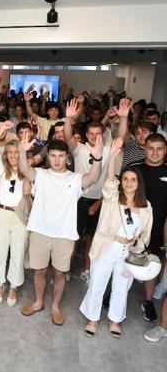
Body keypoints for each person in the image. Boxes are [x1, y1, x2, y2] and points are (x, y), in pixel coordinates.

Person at [19, 134, 103, 326]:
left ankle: (55, 306)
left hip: (64, 236)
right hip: (40, 232)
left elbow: (93, 178)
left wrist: (97, 159)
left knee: (59, 273)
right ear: (48, 156)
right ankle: (39, 302)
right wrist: (23, 152)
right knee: (39, 271)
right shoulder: (41, 174)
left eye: (60, 156)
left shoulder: (74, 179)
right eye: (53, 155)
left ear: (67, 157)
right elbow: (24, 169)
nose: (56, 160)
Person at [79, 137, 153, 337]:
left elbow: (145, 235)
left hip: (126, 254)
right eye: (126, 179)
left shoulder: (146, 207)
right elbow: (110, 181)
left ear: (139, 184)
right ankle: (92, 319)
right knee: (97, 284)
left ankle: (115, 320)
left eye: (133, 179)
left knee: (122, 289)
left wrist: (136, 243)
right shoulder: (112, 198)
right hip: (107, 248)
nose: (128, 183)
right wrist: (111, 158)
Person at [64, 98, 112, 284]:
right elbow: (68, 137)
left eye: (98, 133)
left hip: (97, 201)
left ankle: (86, 270)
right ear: (86, 135)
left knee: (92, 239)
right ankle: (66, 269)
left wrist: (123, 118)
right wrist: (69, 119)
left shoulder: (107, 151)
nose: (94, 137)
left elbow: (122, 137)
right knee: (73, 238)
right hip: (78, 199)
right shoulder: (80, 149)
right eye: (91, 133)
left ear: (103, 134)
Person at [0, 121, 29, 306]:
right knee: (0, 249)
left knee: (18, 251)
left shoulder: (27, 171)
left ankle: (13, 285)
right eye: (10, 152)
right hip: (2, 213)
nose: (13, 155)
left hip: (20, 216)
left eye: (16, 152)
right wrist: (3, 130)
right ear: (6, 155)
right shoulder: (0, 169)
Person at [128, 133, 167, 322]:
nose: (155, 152)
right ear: (144, 148)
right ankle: (116, 293)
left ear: (165, 151)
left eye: (159, 148)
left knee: (153, 265)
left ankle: (148, 301)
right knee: (125, 262)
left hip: (158, 229)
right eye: (151, 148)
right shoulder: (134, 170)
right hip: (131, 228)